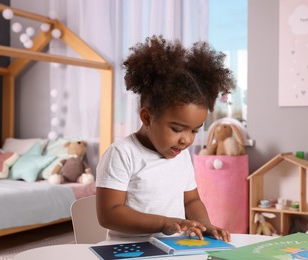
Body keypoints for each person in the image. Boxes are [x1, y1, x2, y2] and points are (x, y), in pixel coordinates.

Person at [96, 35, 235, 242]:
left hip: (174, 247)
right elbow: (109, 214)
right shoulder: (122, 154)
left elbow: (191, 201)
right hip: (130, 250)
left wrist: (205, 225)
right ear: (147, 117)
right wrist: (163, 223)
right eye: (178, 129)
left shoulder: (181, 155)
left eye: (194, 131)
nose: (186, 140)